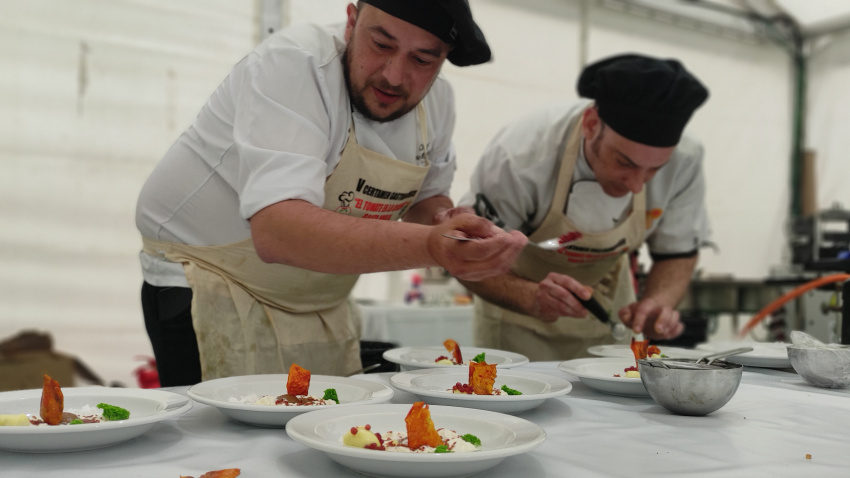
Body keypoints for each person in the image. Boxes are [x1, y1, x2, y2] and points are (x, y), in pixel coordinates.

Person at [135, 0, 527, 386]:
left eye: (422, 60)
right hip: (213, 285)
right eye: (382, 45)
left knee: (325, 431)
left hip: (319, 301)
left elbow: (429, 201)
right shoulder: (294, 65)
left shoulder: (438, 104)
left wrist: (452, 225)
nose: (393, 75)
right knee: (227, 445)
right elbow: (277, 230)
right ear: (351, 22)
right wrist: (431, 245)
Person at [457, 53, 710, 361]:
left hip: (610, 322)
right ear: (591, 125)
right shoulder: (521, 155)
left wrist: (658, 302)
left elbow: (677, 252)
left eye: (654, 170)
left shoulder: (685, 160)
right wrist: (530, 296)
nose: (636, 185)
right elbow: (467, 254)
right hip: (517, 324)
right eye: (624, 162)